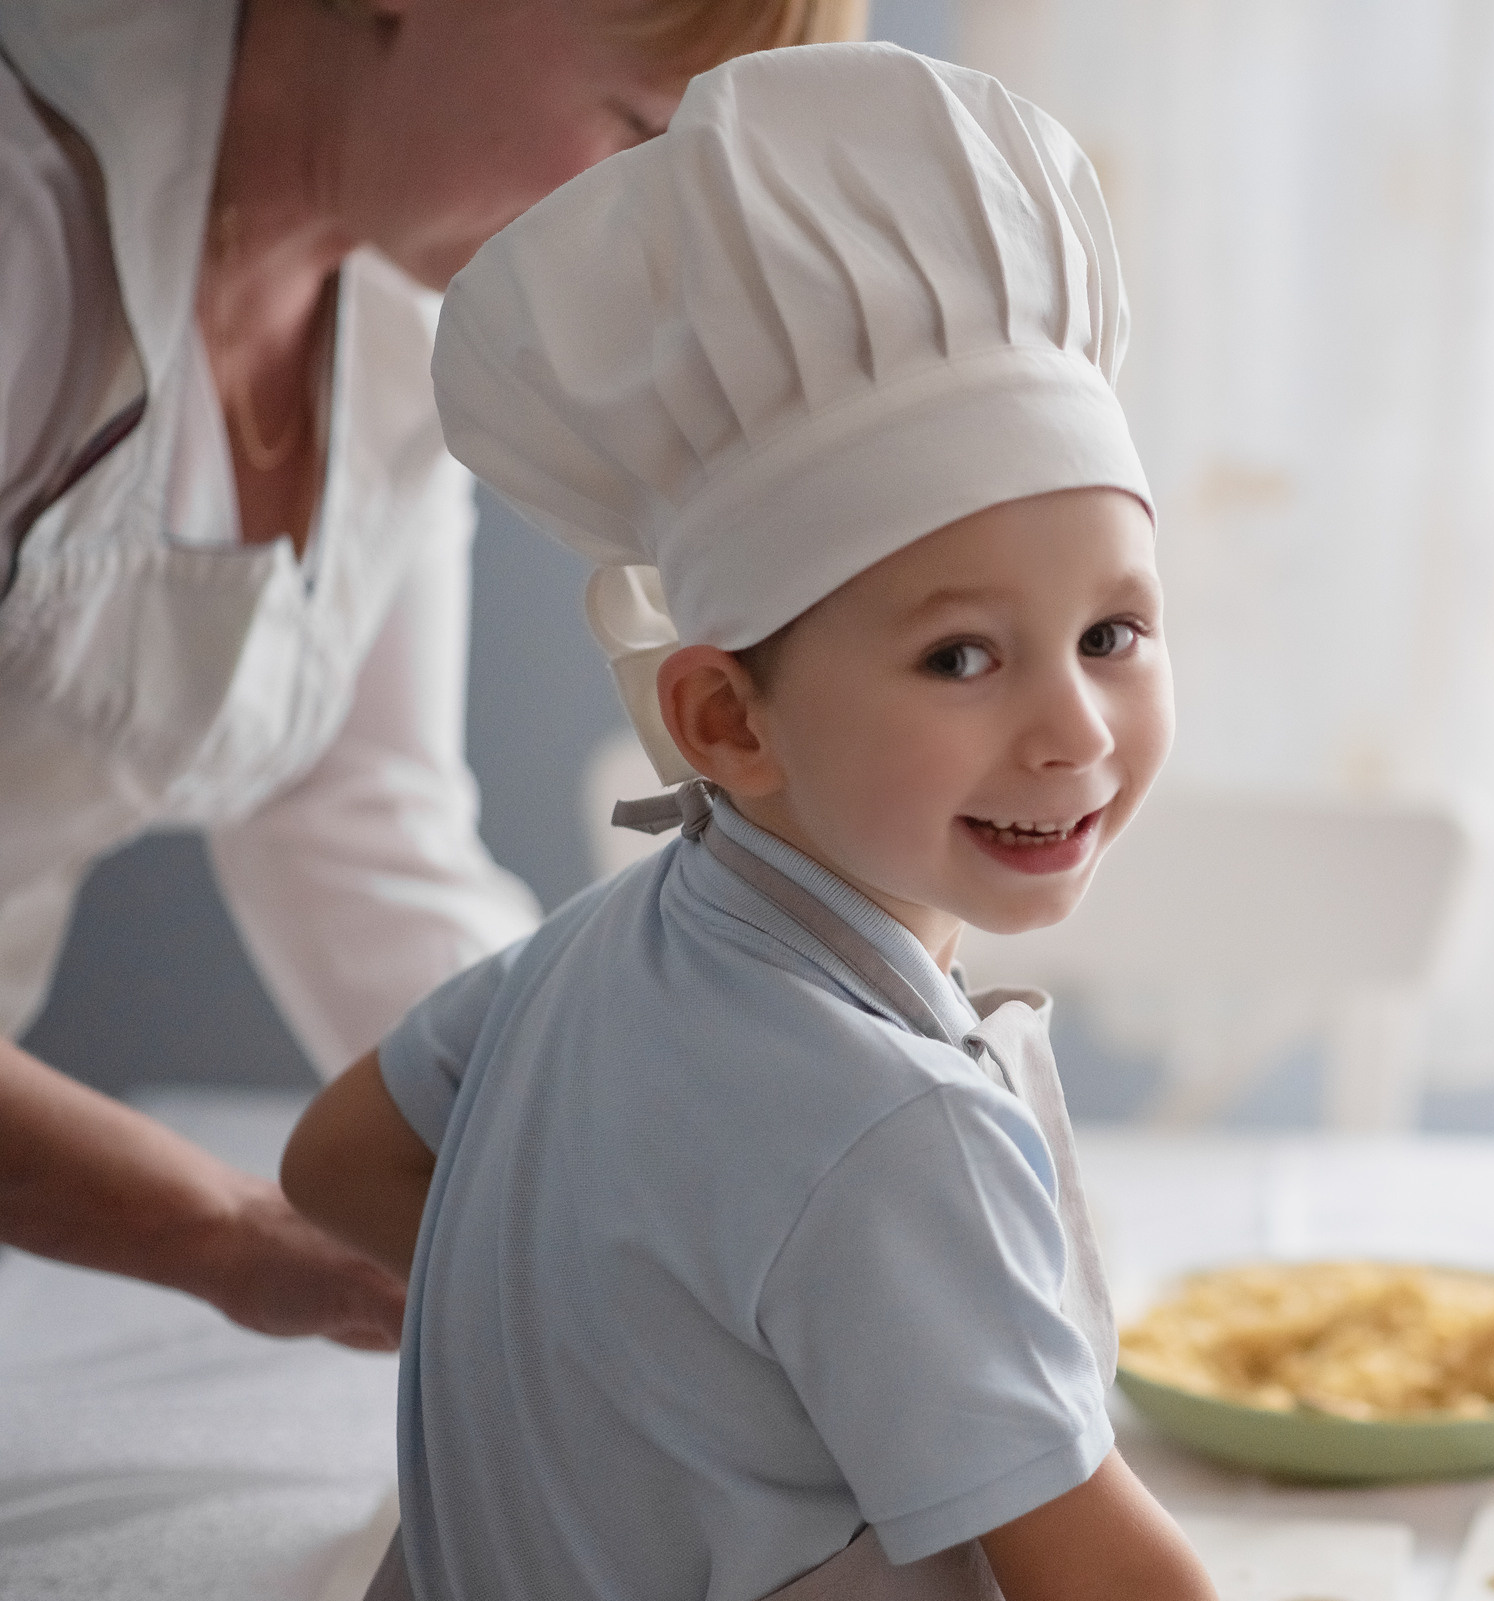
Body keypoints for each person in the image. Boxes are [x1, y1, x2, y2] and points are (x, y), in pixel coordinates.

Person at [277, 44, 1494, 1601]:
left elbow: (338, 1158)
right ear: (725, 715)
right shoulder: (893, 1122)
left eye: (1114, 631)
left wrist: (645, 1360)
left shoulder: (590, 950)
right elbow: (1090, 1566)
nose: (1072, 727)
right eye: (961, 656)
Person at [0, 0, 854, 1348]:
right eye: (632, 129)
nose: (631, 244)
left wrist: (630, 1162)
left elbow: (358, 830)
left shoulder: (404, 338)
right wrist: (233, 1239)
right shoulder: (27, 230)